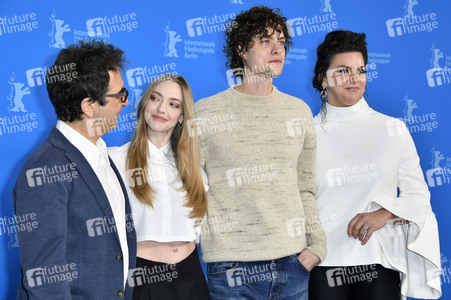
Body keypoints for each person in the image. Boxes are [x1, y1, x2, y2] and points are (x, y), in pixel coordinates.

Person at [194, 6, 326, 299]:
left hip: (293, 264)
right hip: (231, 269)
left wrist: (316, 245)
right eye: (266, 41)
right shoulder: (204, 112)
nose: (277, 49)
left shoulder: (298, 111)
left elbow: (305, 187)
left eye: (281, 42)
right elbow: (189, 188)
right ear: (242, 48)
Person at [308, 30, 442, 299]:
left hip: (378, 264)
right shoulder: (305, 134)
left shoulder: (392, 129)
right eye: (343, 70)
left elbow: (419, 197)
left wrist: (384, 214)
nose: (354, 78)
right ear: (323, 78)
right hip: (320, 264)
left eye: (360, 70)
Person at [13, 40, 137, 299]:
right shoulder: (44, 170)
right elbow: (45, 278)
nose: (125, 103)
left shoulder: (101, 154)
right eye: (120, 94)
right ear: (89, 106)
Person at [109, 74, 210, 300]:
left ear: (182, 116)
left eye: (173, 104)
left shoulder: (194, 171)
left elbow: (199, 228)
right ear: (145, 103)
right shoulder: (114, 160)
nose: (161, 109)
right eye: (155, 98)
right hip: (144, 277)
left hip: (191, 276)